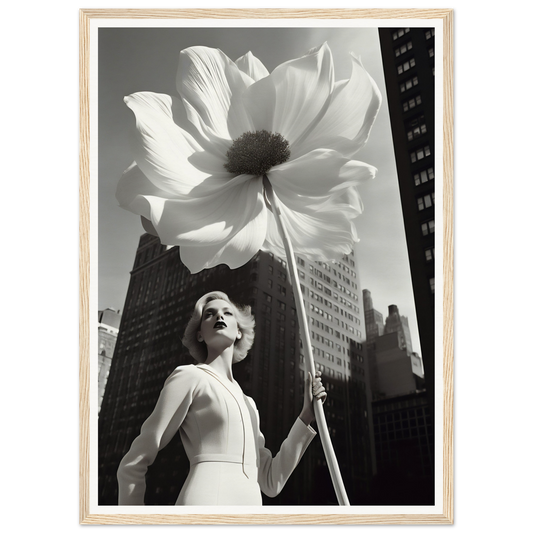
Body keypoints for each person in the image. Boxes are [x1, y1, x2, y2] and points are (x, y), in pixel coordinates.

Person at [117, 291, 327, 505]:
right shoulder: (190, 376)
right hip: (204, 505)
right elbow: (134, 462)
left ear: (239, 331)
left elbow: (271, 482)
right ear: (199, 334)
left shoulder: (249, 403)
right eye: (210, 314)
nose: (219, 317)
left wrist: (306, 416)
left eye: (227, 313)